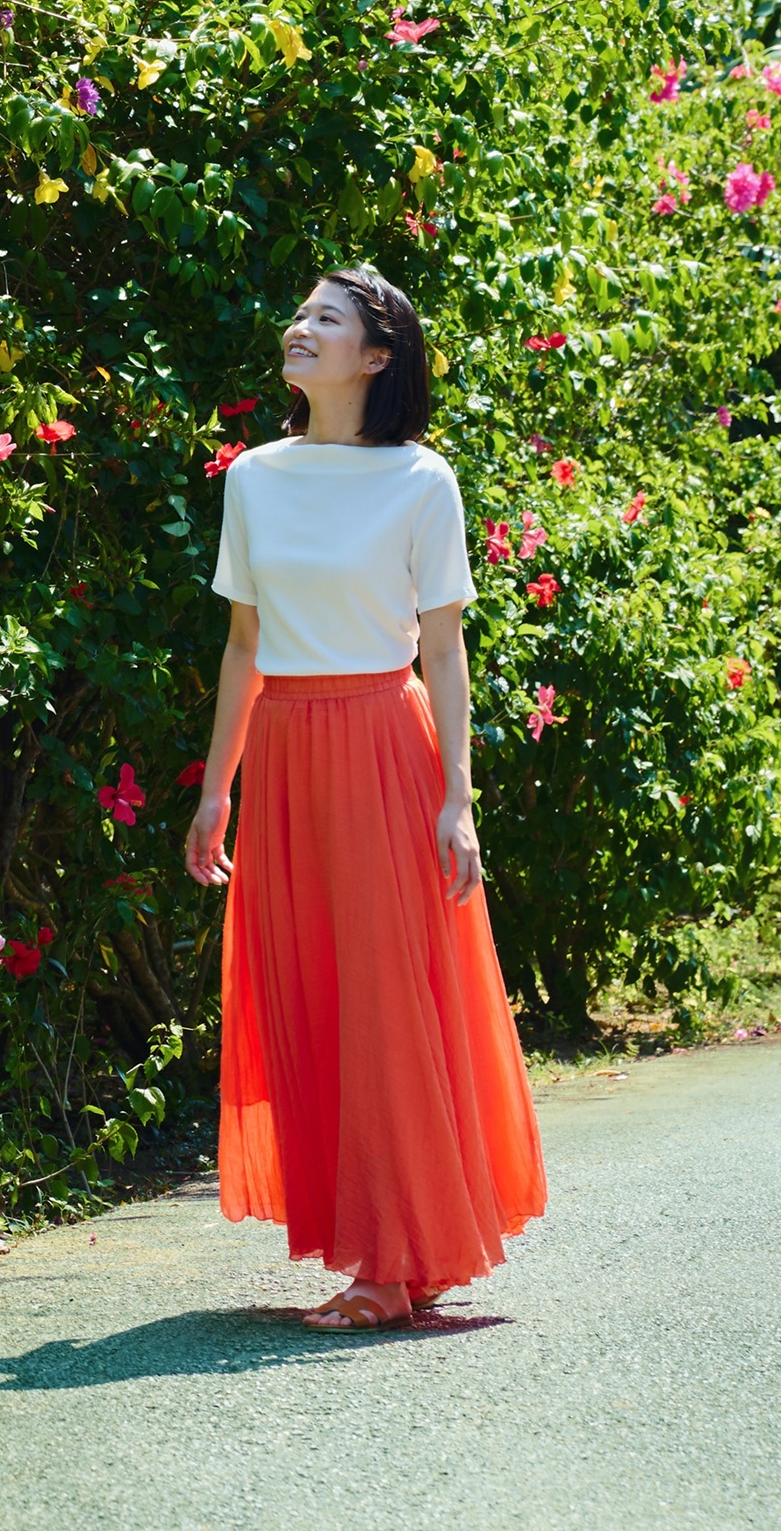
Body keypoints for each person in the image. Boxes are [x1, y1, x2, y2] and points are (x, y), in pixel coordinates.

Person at [183, 267, 547, 1330]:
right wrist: (217, 794)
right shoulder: (253, 476)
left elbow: (444, 646)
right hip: (287, 758)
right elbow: (244, 646)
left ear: (375, 356)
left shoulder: (421, 480)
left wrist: (458, 799)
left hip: (388, 748)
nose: (299, 328)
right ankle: (396, 1246)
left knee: (389, 999)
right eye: (299, 313)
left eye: (326, 319)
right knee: (318, 988)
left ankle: (393, 1265)